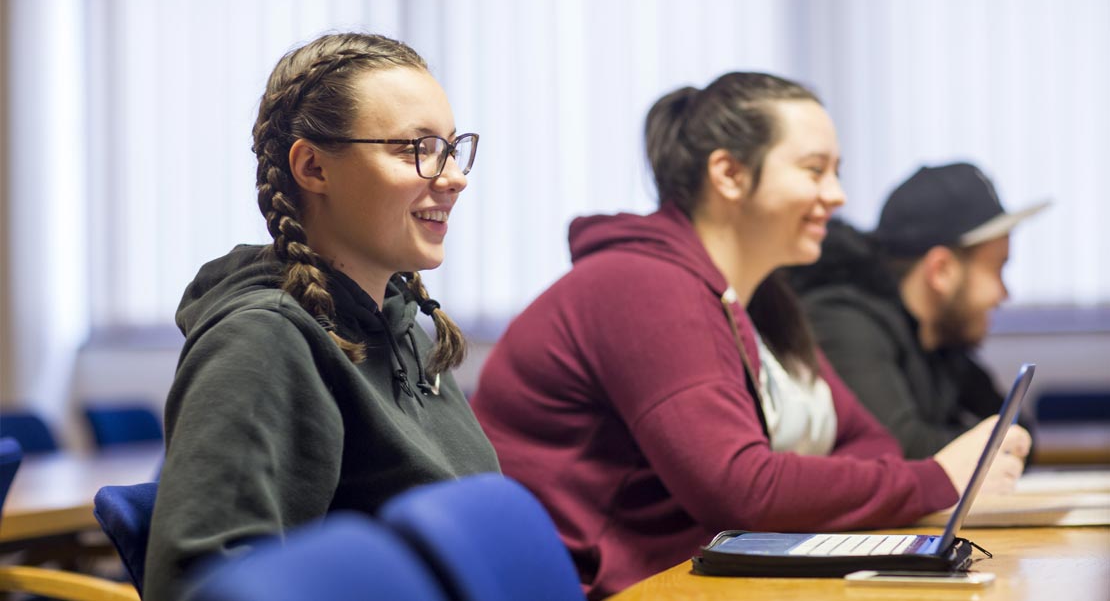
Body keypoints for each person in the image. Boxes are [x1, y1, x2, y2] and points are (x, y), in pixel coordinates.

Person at [470, 73, 1030, 599]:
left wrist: (820, 483)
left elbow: (869, 443)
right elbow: (742, 489)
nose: (837, 195)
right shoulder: (643, 285)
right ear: (729, 174)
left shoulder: (761, 296)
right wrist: (935, 478)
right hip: (623, 587)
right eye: (814, 170)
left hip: (711, 575)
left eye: (836, 171)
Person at [145, 33, 500, 600]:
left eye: (453, 147)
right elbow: (199, 586)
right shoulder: (262, 343)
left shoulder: (403, 328)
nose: (454, 175)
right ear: (313, 167)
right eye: (418, 148)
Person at [787, 163, 1048, 459]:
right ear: (941, 270)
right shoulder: (845, 322)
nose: (1004, 293)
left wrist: (1004, 442)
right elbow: (899, 452)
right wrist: (1001, 444)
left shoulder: (939, 338)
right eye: (997, 268)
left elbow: (1018, 431)